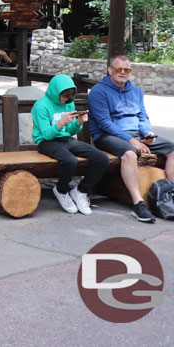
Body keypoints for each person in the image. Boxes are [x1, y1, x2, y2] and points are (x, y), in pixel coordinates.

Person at [88, 55, 174, 223]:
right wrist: (131, 141)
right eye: (119, 69)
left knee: (171, 149)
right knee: (130, 154)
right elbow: (104, 123)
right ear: (110, 70)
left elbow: (142, 116)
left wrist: (147, 133)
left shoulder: (136, 91)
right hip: (108, 135)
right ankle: (138, 203)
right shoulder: (99, 92)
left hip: (137, 135)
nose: (123, 73)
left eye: (126, 70)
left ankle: (170, 192)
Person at [32, 74, 109, 215]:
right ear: (56, 92)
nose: (67, 100)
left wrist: (78, 123)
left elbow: (70, 131)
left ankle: (80, 191)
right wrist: (61, 122)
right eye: (65, 96)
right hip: (46, 142)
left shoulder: (69, 103)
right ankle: (61, 190)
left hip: (66, 139)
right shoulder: (41, 106)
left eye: (70, 96)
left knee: (102, 158)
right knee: (70, 161)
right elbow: (46, 135)